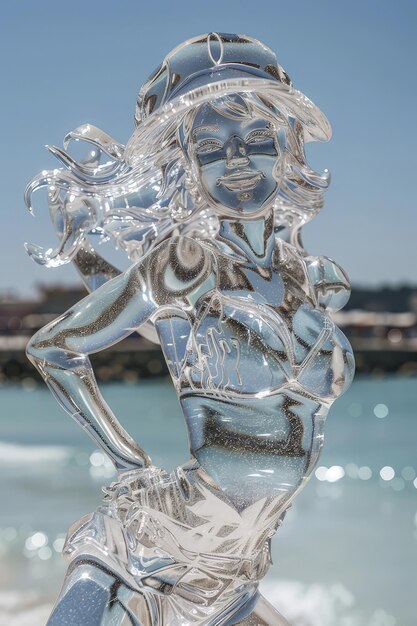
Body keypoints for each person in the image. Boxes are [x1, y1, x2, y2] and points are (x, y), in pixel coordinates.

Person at [26, 33, 354, 626]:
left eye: (257, 138)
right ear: (187, 164)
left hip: (239, 564)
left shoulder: (311, 277)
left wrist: (88, 260)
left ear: (287, 146)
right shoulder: (186, 261)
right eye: (209, 146)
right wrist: (130, 463)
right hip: (157, 546)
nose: (236, 159)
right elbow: (53, 348)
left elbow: (169, 335)